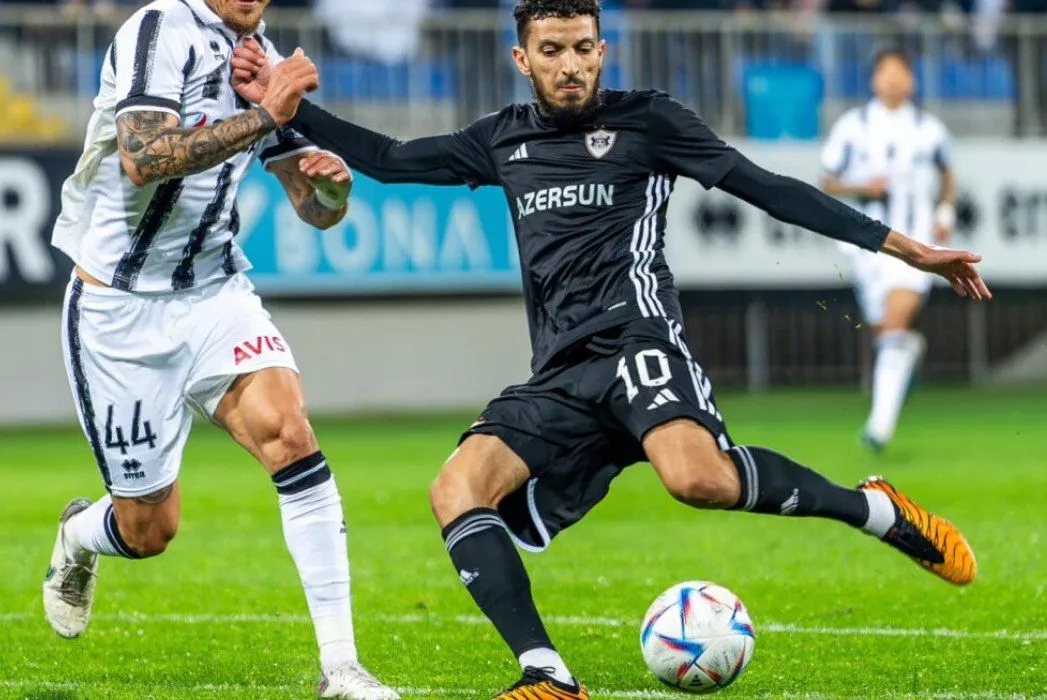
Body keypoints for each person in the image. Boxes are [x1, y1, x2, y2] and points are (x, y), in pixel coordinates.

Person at [233, 2, 987, 697]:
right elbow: (392, 158)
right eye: (552, 50)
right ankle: (546, 674)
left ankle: (874, 510)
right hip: (560, 372)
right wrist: (286, 110)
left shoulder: (649, 120)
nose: (570, 64)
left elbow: (768, 188)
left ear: (602, 50)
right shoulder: (501, 139)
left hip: (638, 340)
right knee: (455, 488)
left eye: (583, 48)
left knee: (698, 480)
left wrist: (905, 248)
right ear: (522, 59)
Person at [43, 1, 398, 698]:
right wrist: (267, 111)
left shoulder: (261, 58)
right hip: (119, 309)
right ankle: (81, 534)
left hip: (214, 293)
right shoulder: (158, 30)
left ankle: (341, 668)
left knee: (290, 434)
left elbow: (313, 208)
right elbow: (144, 158)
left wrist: (331, 191)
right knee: (148, 530)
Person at [821, 48, 956, 452]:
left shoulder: (929, 129)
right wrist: (863, 187)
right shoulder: (853, 126)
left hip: (915, 244)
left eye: (901, 72)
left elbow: (948, 172)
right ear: (874, 80)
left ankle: (879, 427)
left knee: (895, 321)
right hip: (867, 246)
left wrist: (945, 210)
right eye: (886, 72)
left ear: (911, 80)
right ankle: (908, 349)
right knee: (887, 332)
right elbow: (827, 181)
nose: (894, 80)